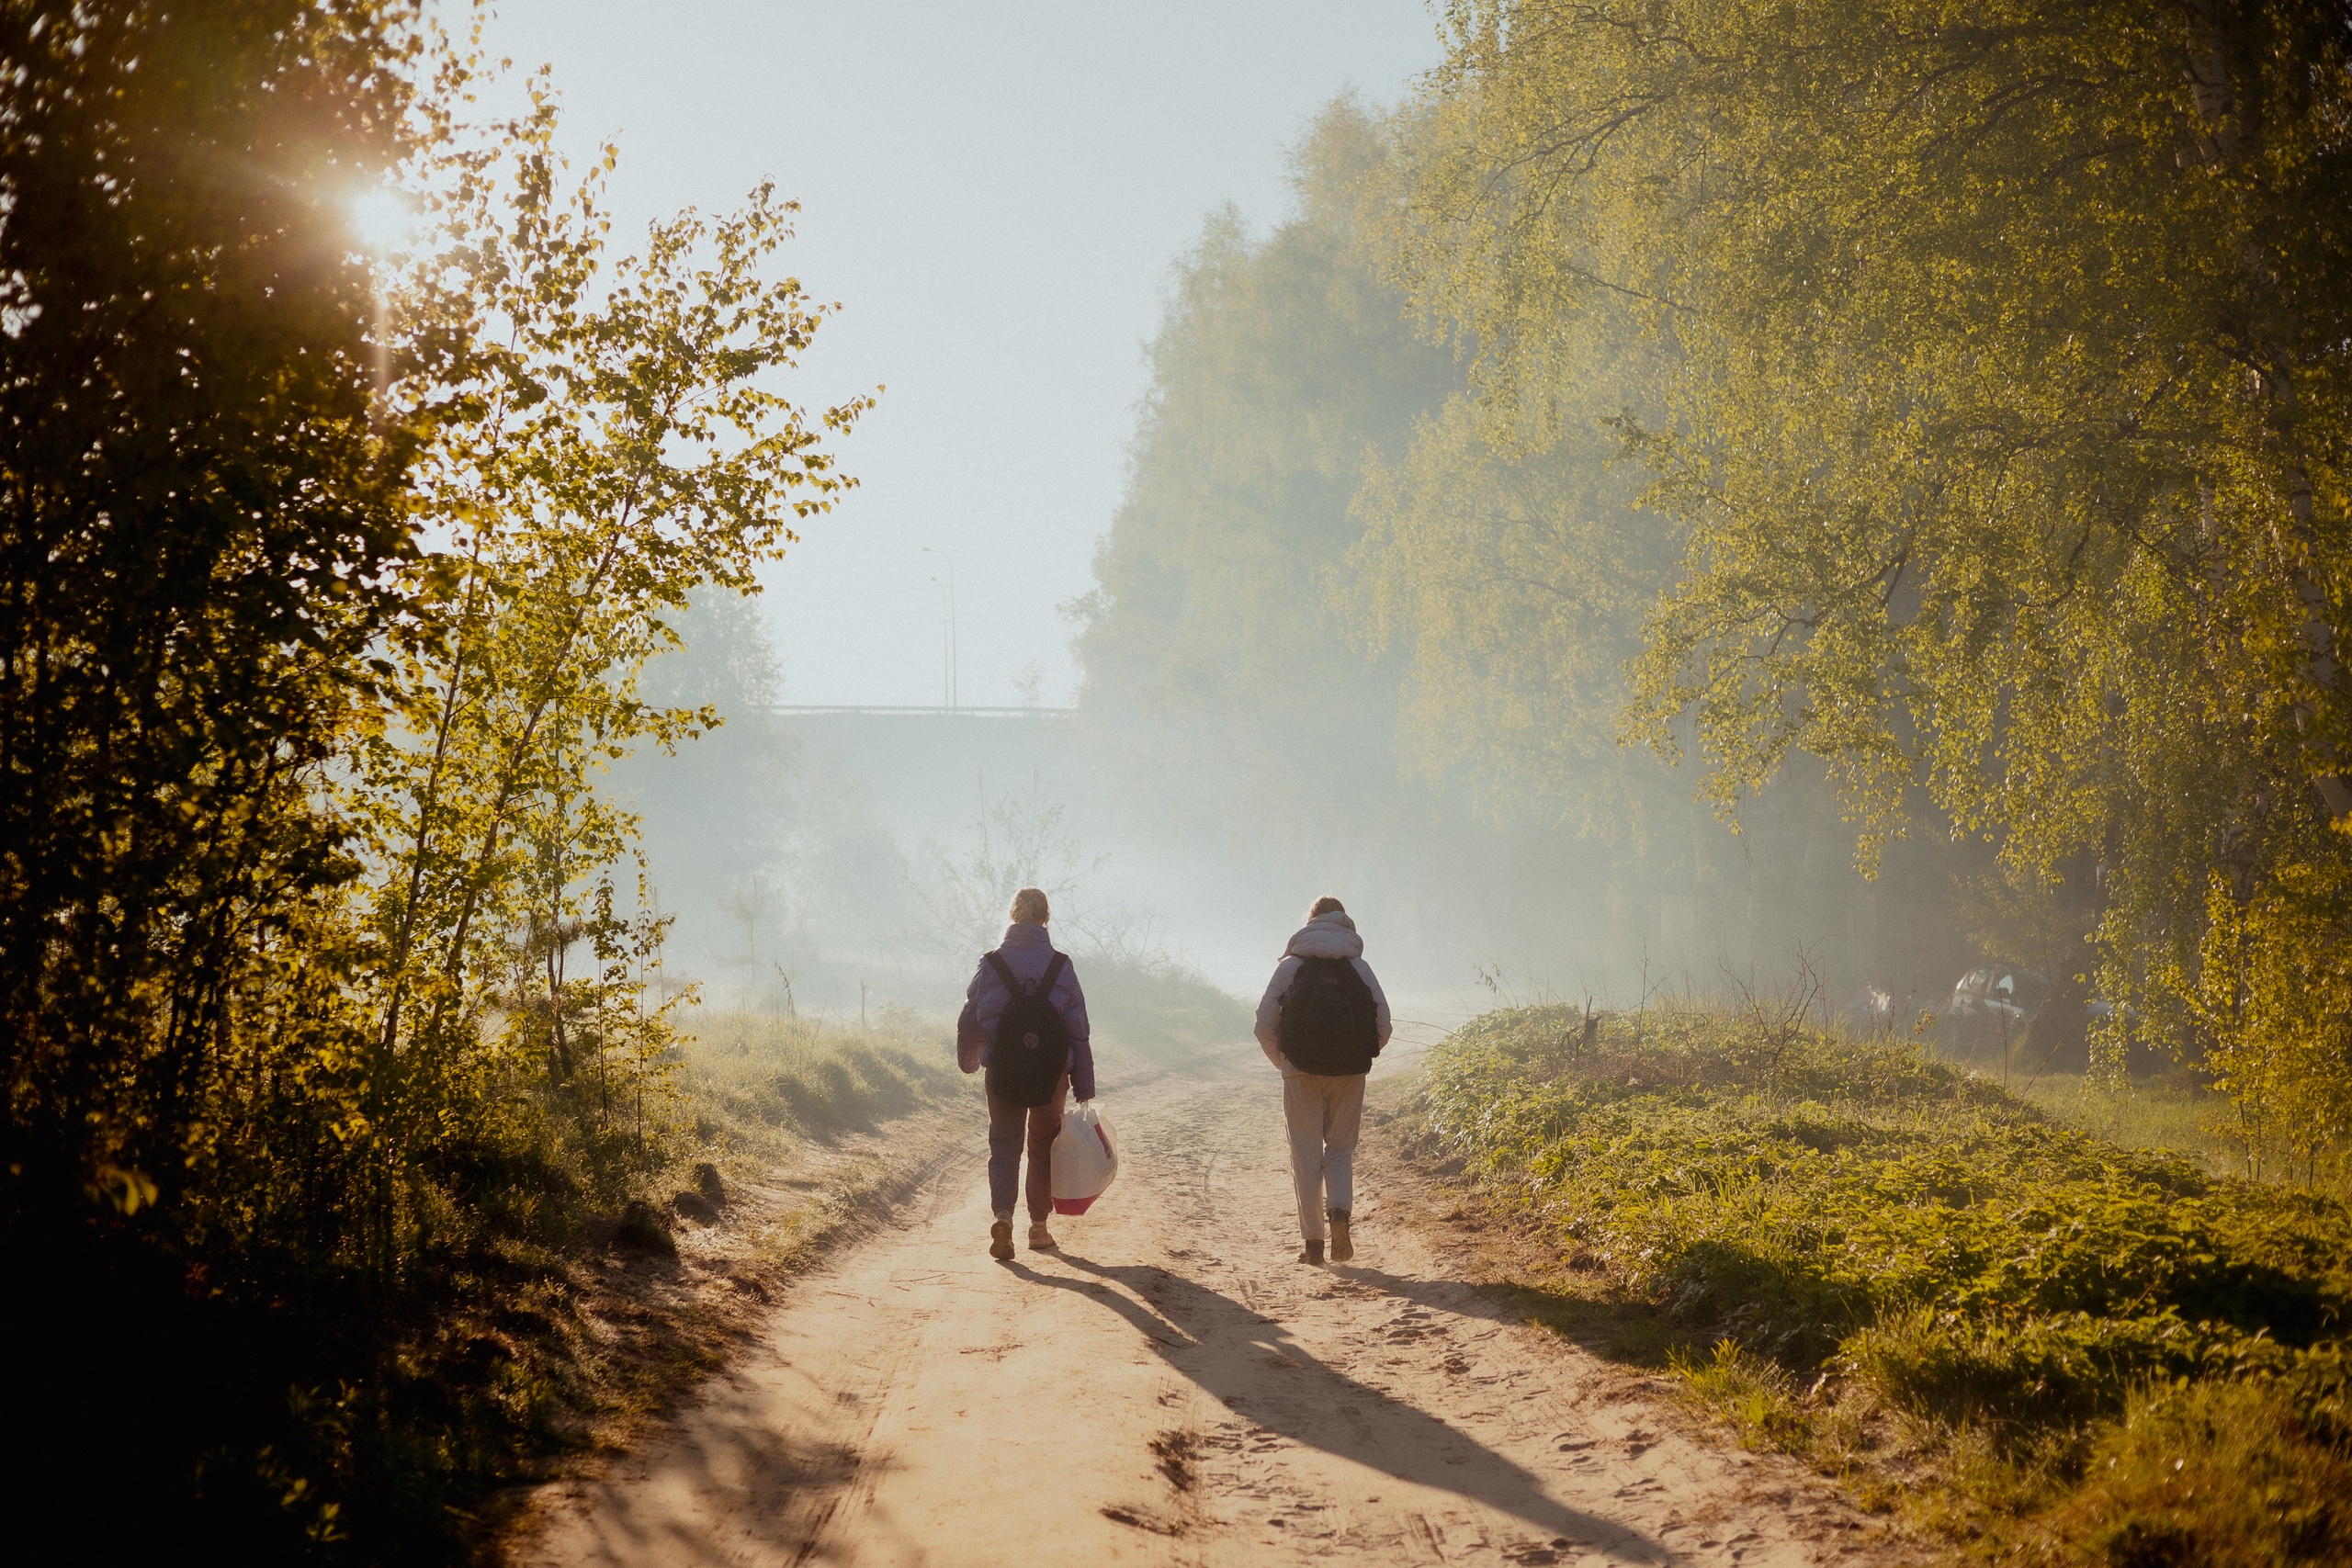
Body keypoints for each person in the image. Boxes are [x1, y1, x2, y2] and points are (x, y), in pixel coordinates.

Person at [956, 886, 1095, 1260]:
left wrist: (969, 1060)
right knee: (1043, 1146)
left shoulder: (991, 964)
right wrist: (1084, 1086)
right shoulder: (1061, 966)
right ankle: (1038, 1227)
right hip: (1052, 1077)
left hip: (1003, 1071)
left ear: (1013, 915)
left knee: (1004, 1145)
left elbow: (970, 1019)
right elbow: (1078, 1030)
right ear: (1045, 918)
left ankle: (1003, 1216)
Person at [1254, 896, 1392, 1264]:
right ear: (1345, 922)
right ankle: (1340, 1214)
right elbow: (1383, 1025)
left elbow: (1263, 1024)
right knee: (1340, 1150)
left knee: (1305, 1154)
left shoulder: (1292, 965)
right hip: (1350, 1072)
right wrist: (1359, 1058)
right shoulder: (1358, 966)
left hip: (1299, 1071)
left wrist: (1285, 1062)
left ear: (1311, 921)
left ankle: (1313, 1244)